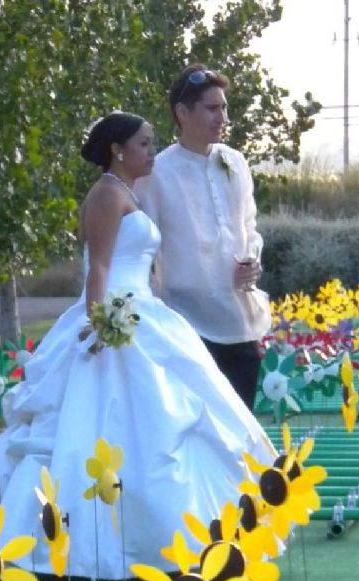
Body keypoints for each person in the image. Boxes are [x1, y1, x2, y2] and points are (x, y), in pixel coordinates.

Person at [0, 111, 276, 581]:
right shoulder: (107, 194)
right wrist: (99, 323)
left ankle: (172, 542)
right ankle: (86, 552)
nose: (152, 151)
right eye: (145, 144)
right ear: (118, 150)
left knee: (162, 422)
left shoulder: (126, 192)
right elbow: (100, 268)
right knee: (105, 427)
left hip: (142, 313)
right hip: (116, 318)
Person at [136, 64, 271, 411]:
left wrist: (252, 262)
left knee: (243, 425)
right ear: (182, 113)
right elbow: (144, 249)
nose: (222, 116)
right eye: (212, 108)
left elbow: (249, 226)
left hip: (238, 318)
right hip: (185, 323)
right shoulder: (157, 172)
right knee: (200, 434)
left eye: (223, 107)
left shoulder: (235, 162)